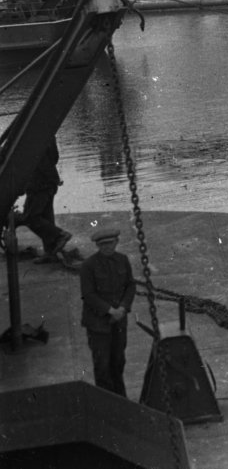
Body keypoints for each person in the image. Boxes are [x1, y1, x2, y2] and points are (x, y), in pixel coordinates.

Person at [80, 228, 136, 396]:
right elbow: (88, 294)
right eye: (103, 244)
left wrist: (123, 308)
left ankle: (121, 400)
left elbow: (130, 286)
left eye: (110, 243)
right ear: (97, 245)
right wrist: (111, 311)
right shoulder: (88, 265)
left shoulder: (123, 260)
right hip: (98, 324)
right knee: (102, 366)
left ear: (116, 242)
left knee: (118, 363)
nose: (107, 247)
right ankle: (108, 404)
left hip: (119, 321)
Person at [21, 137, 71, 260]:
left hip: (38, 185)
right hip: (48, 184)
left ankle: (60, 235)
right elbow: (55, 158)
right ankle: (50, 252)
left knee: (30, 217)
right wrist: (54, 179)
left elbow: (39, 161)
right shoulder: (48, 135)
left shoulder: (32, 137)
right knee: (45, 218)